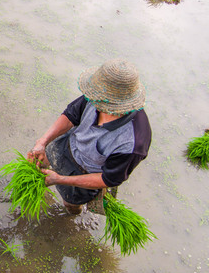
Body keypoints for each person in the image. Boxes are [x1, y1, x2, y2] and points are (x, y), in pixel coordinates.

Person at [27, 59, 151, 215]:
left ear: (117, 104)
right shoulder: (96, 96)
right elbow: (71, 115)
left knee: (70, 202)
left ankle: (73, 212)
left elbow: (108, 179)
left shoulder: (133, 143)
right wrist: (42, 142)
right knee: (39, 163)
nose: (92, 99)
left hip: (86, 173)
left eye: (98, 99)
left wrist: (60, 179)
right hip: (67, 143)